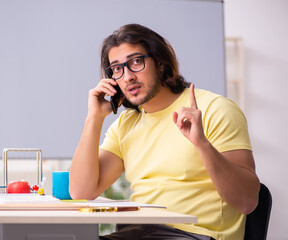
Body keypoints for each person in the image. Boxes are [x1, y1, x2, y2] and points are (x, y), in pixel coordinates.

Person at [69, 24, 260, 240]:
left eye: (136, 62)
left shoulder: (215, 109)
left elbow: (247, 201)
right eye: (117, 68)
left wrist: (202, 144)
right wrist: (93, 118)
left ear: (160, 64)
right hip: (139, 233)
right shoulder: (126, 124)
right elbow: (81, 192)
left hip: (196, 235)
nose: (127, 76)